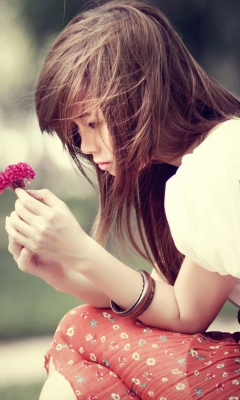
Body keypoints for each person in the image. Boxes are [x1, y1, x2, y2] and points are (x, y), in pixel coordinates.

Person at [5, 1, 240, 398]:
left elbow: (185, 315)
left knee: (81, 331)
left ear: (145, 93)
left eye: (93, 123)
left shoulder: (219, 161)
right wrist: (60, 271)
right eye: (77, 132)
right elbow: (173, 303)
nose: (87, 146)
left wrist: (81, 249)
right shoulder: (204, 163)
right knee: (84, 329)